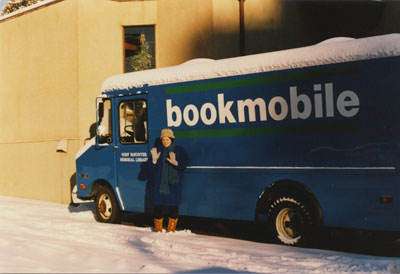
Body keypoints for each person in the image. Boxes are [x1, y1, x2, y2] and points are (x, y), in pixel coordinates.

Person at [148, 128, 189, 232]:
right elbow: (152, 169)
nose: (165, 142)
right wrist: (154, 160)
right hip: (160, 184)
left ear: (171, 139)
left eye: (167, 139)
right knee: (157, 207)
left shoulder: (179, 150)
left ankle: (171, 230)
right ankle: (158, 230)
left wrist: (176, 163)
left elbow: (184, 164)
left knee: (173, 207)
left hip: (173, 184)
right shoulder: (158, 151)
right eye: (163, 140)